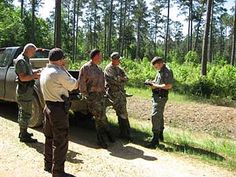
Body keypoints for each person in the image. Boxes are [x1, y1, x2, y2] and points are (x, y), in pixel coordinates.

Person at [40, 48, 78, 177]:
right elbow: (74, 85)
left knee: (49, 138)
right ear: (60, 60)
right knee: (60, 141)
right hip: (58, 109)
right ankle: (58, 172)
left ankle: (48, 164)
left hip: (48, 106)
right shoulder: (59, 72)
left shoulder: (45, 70)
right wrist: (65, 70)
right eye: (63, 59)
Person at [78, 49, 114, 149]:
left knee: (103, 116)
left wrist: (105, 91)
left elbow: (103, 82)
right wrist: (86, 95)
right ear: (95, 56)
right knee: (99, 117)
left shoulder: (99, 69)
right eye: (100, 56)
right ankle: (101, 140)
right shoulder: (86, 68)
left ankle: (108, 134)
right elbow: (81, 82)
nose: (101, 58)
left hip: (101, 96)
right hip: (92, 96)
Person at [14, 43, 40, 143]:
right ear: (28, 50)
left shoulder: (25, 59)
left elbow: (27, 72)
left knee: (25, 112)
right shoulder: (21, 60)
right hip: (24, 91)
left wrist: (36, 71)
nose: (34, 53)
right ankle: (23, 135)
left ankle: (23, 132)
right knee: (25, 113)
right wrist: (35, 76)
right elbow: (23, 78)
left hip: (26, 91)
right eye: (33, 51)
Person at [146, 56, 173, 148]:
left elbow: (168, 86)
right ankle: (160, 135)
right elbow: (158, 81)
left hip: (161, 96)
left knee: (155, 115)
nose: (155, 68)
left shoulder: (167, 71)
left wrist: (155, 86)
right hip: (157, 95)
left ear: (160, 63)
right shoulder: (160, 70)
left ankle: (155, 139)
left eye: (156, 66)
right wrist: (151, 82)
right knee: (159, 115)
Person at [104, 52, 132, 141]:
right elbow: (112, 80)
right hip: (113, 94)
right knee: (120, 112)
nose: (119, 61)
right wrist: (120, 79)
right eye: (117, 59)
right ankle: (123, 133)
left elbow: (127, 78)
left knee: (123, 113)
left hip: (121, 94)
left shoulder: (119, 68)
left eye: (119, 59)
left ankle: (125, 133)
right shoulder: (108, 69)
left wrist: (120, 78)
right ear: (113, 59)